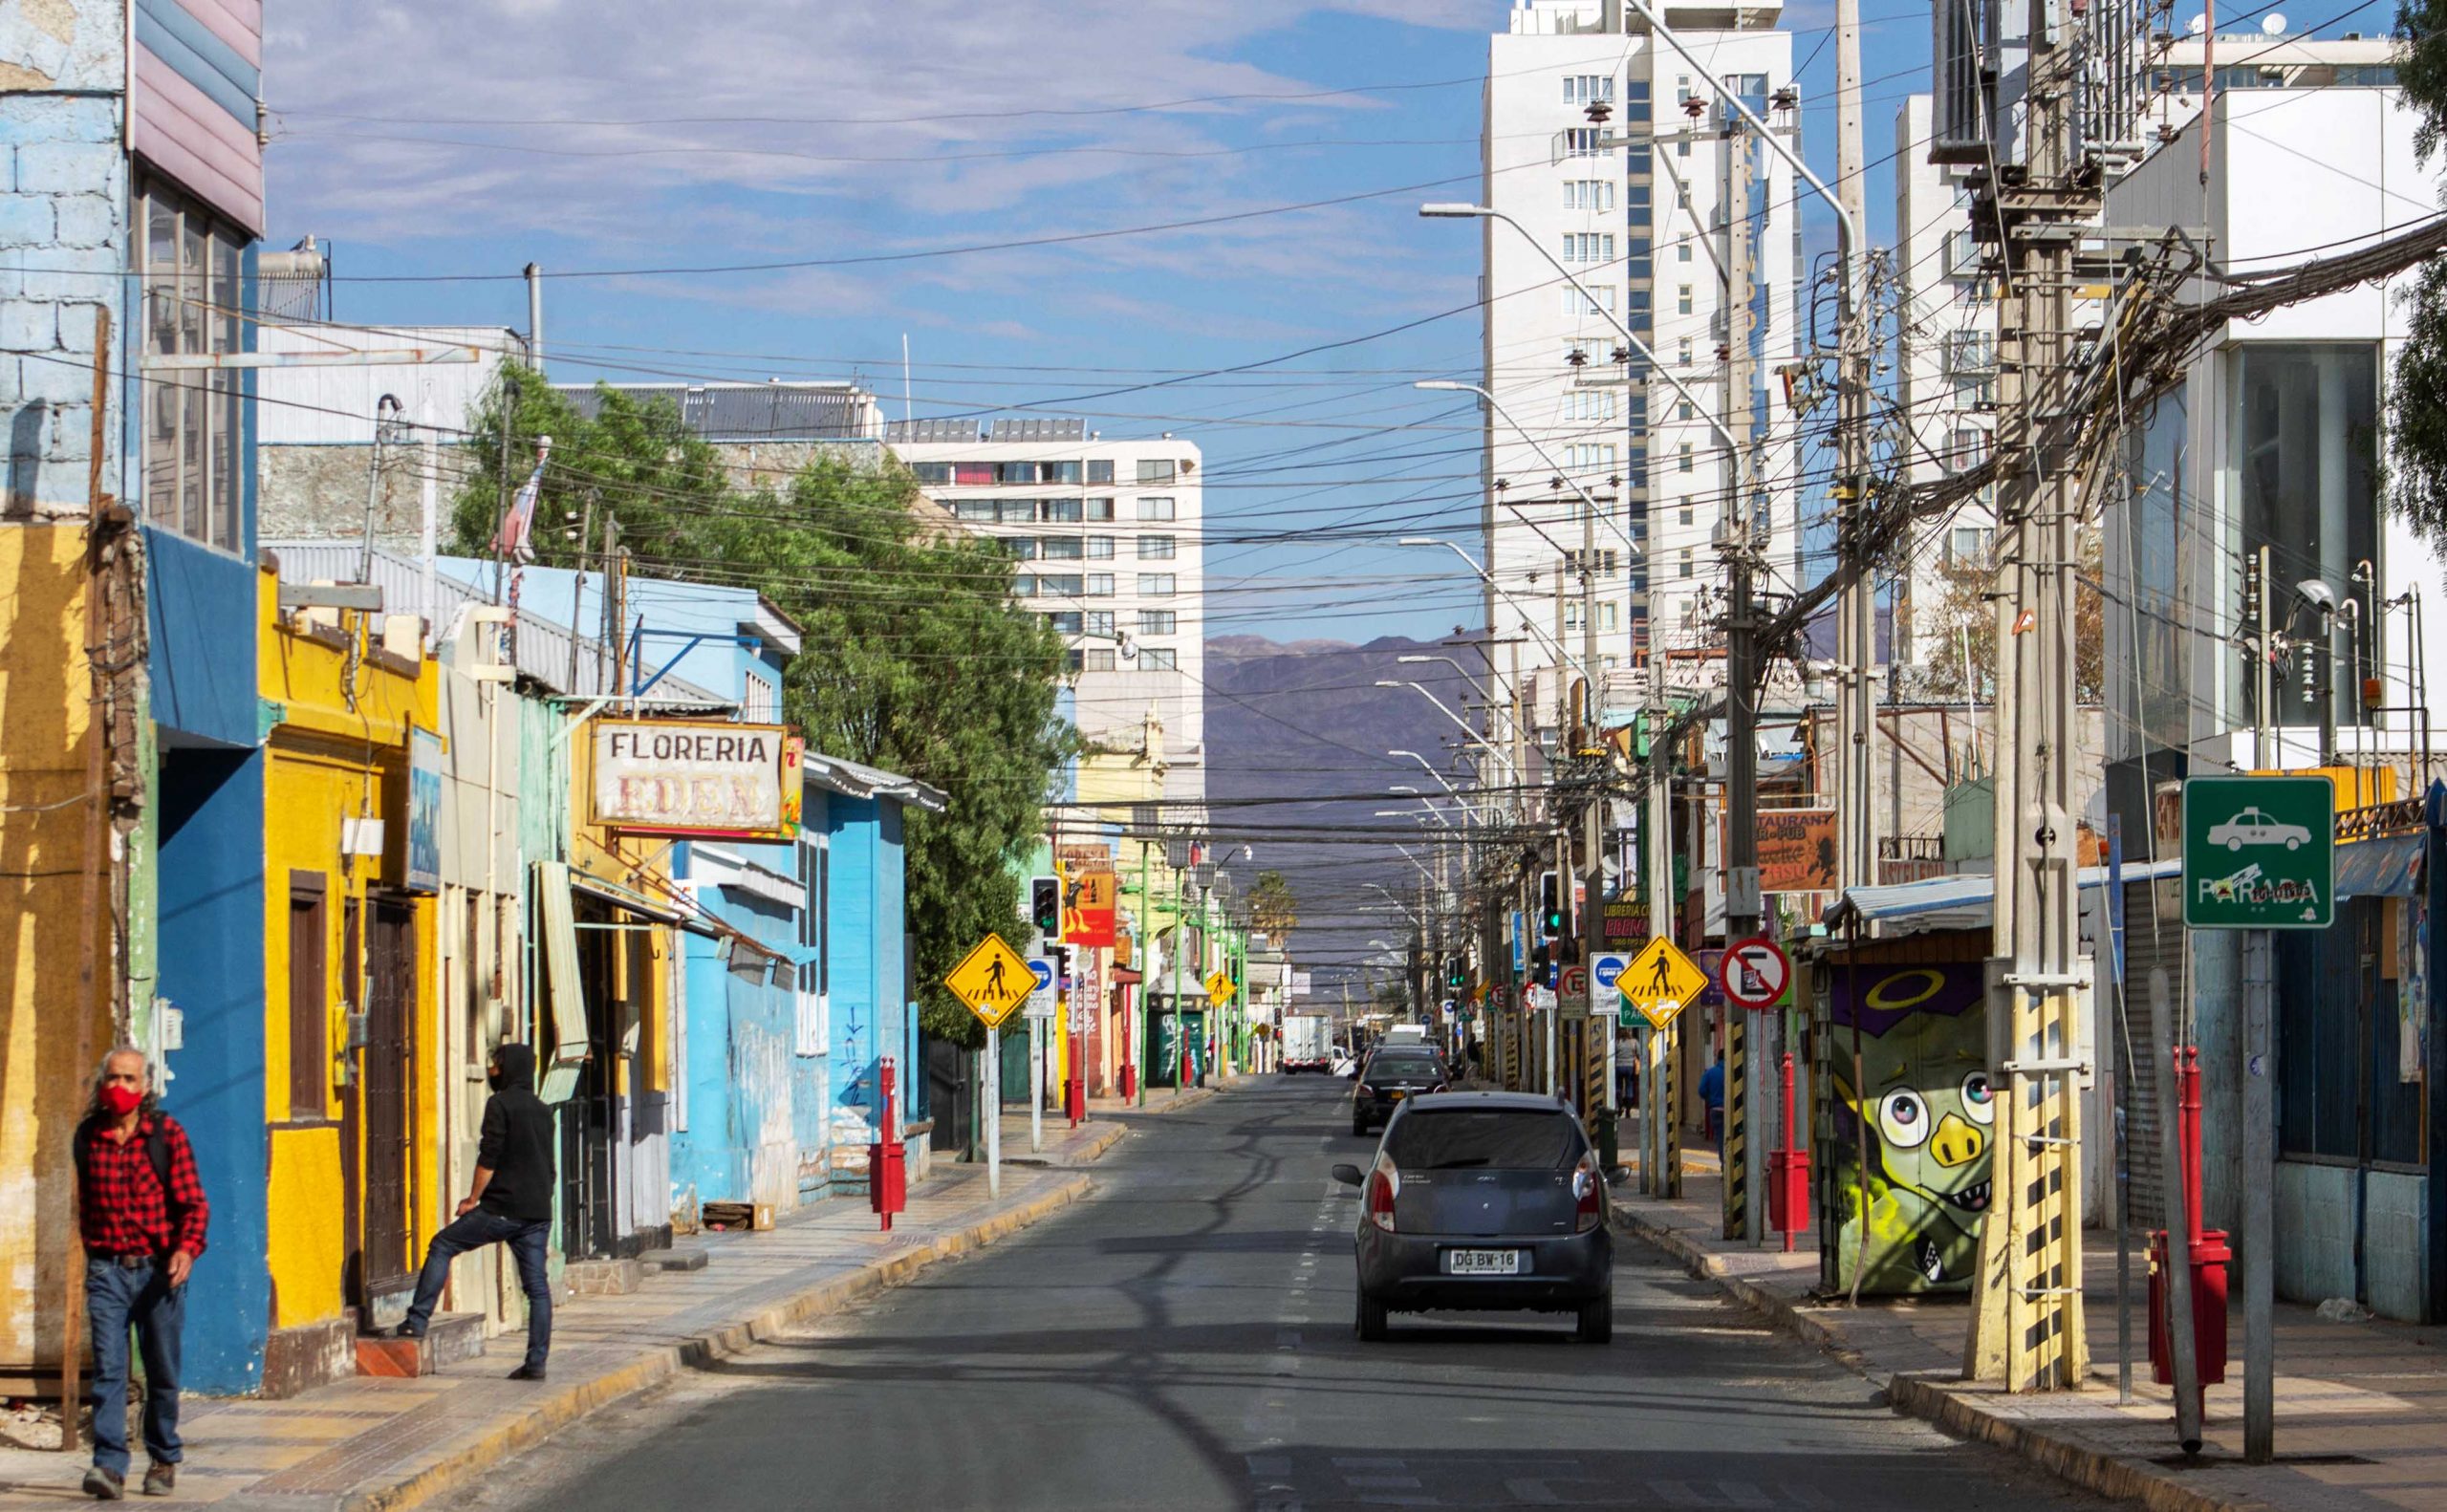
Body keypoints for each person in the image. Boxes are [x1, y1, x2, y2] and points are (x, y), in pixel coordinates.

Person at [74, 1047, 208, 1501]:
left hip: (158, 1273)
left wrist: (185, 1252)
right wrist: (95, 1255)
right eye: (113, 1078)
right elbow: (86, 1205)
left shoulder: (166, 1136)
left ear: (146, 1086)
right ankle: (109, 1466)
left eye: (130, 1079)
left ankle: (164, 1458)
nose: (120, 1088)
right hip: (108, 1271)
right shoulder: (88, 1136)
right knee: (109, 1370)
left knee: (161, 1370)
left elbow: (194, 1205)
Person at [390, 1044, 555, 1381]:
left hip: (502, 1209)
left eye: (496, 1065)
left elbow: (489, 1157)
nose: (492, 1071)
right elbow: (550, 1167)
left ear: (509, 1069)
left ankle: (416, 1322)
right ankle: (536, 1362)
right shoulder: (543, 1110)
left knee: (443, 1245)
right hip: (537, 1213)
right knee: (537, 1288)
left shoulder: (500, 1104)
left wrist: (471, 1199)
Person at [1698, 1054, 1726, 1144]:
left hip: (1716, 1109)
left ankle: (1723, 1157)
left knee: (1720, 1137)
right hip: (1733, 1112)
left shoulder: (1710, 1072)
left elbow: (1701, 1090)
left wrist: (1710, 1098)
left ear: (1717, 1059)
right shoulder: (1733, 1071)